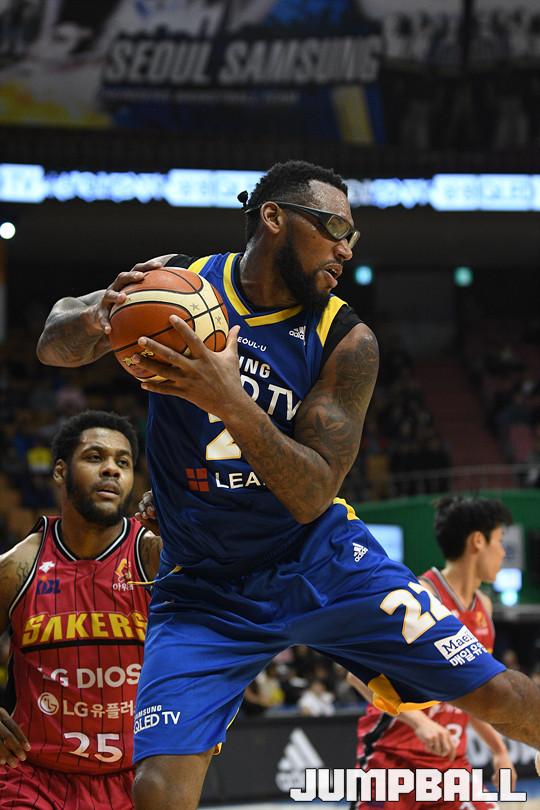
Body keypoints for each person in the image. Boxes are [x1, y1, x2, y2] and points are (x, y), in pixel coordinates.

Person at [36, 160, 540, 810]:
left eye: (353, 236)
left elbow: (311, 494)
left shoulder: (346, 339)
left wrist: (228, 396)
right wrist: (102, 314)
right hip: (203, 583)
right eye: (334, 228)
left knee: (497, 694)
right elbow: (53, 342)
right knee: (157, 788)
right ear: (274, 218)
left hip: (318, 558)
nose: (347, 248)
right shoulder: (182, 286)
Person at [0, 410, 161, 809]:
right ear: (60, 471)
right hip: (31, 777)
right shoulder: (19, 566)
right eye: (94, 457)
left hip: (134, 778)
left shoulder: (152, 556)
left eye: (123, 462)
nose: (111, 469)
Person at [348, 495, 516, 809]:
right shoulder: (422, 595)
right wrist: (421, 723)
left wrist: (499, 749)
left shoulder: (484, 607)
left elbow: (475, 693)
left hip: (450, 766)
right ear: (478, 541)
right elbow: (356, 674)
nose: (503, 552)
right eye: (500, 540)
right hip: (393, 759)